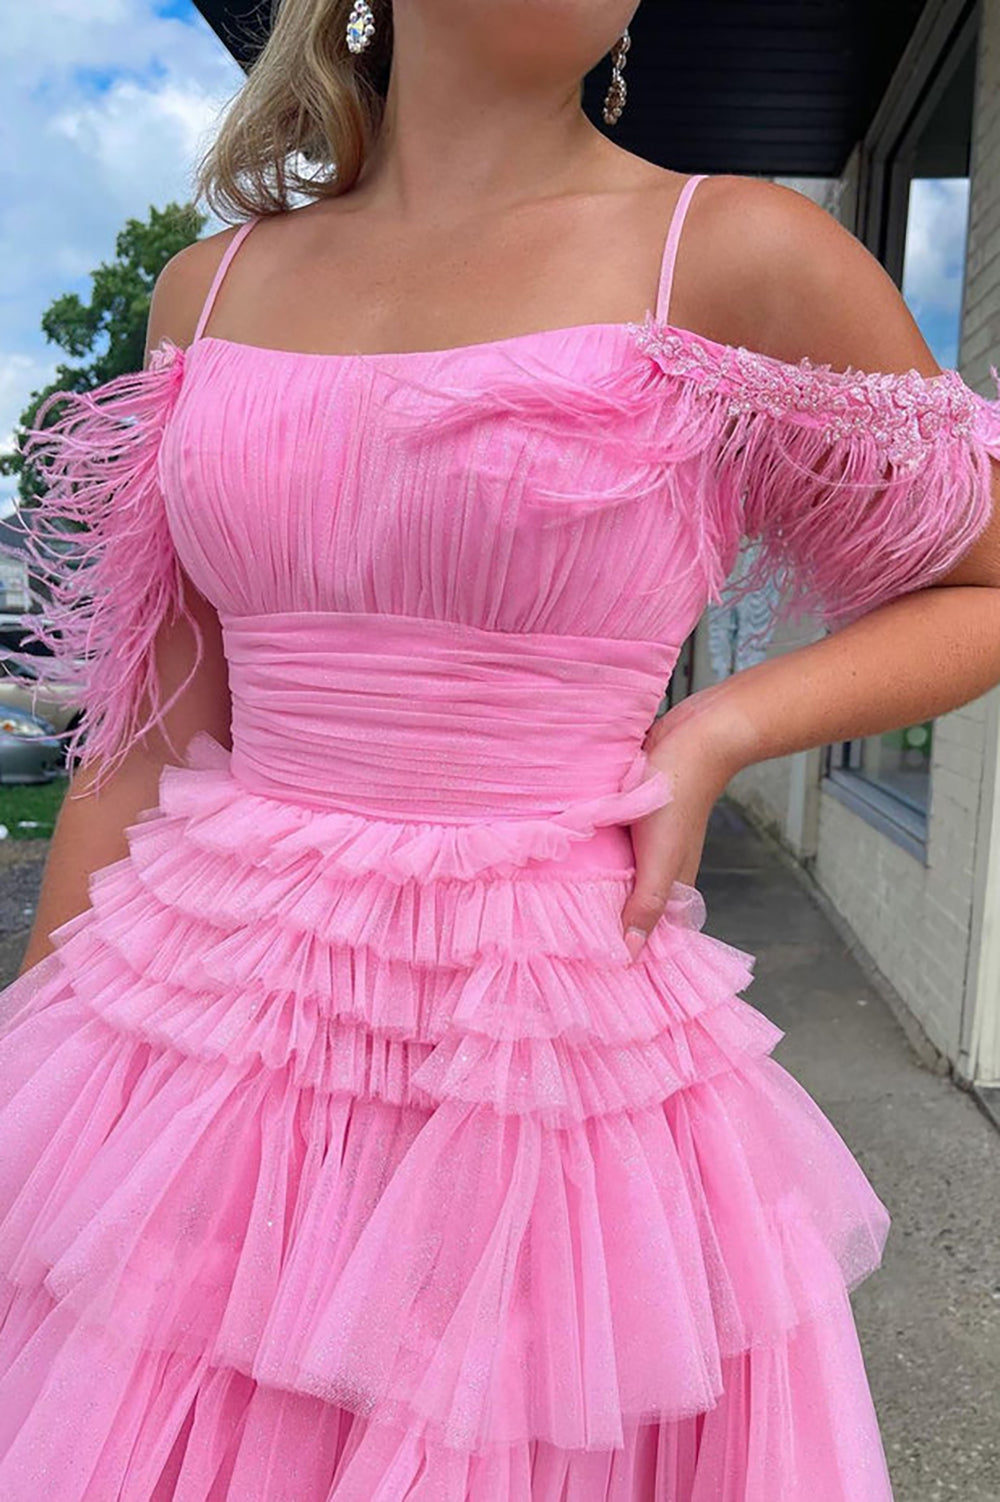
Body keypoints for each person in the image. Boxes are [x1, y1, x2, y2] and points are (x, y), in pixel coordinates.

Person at [1, 1, 999, 1496]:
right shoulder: (209, 290)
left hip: (537, 1056)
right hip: (201, 1054)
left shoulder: (732, 254)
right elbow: (150, 728)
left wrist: (722, 725)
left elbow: (981, 583)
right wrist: (32, 1071)